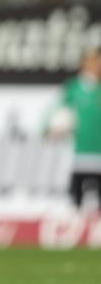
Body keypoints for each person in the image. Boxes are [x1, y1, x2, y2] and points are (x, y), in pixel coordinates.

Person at [49, 49, 101, 209]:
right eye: (95, 61)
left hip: (98, 149)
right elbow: (62, 114)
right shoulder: (73, 88)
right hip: (79, 149)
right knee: (77, 192)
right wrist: (57, 128)